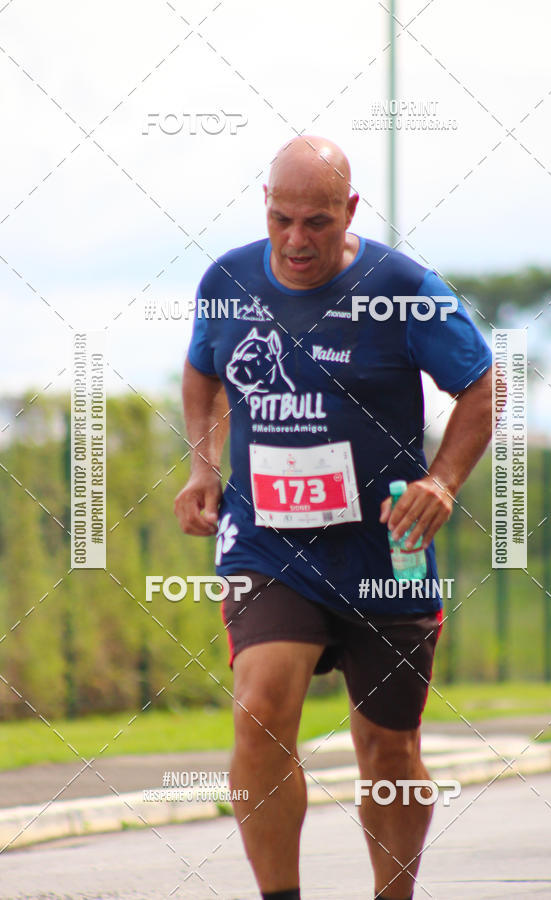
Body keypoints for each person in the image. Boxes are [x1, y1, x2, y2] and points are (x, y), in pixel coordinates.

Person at [174, 135, 493, 900]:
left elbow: (481, 387)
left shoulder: (402, 287)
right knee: (259, 709)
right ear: (265, 205)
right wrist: (202, 465)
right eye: (282, 219)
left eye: (315, 222)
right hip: (268, 543)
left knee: (387, 748)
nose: (295, 240)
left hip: (385, 552)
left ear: (348, 210)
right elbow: (201, 373)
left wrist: (444, 482)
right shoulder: (228, 280)